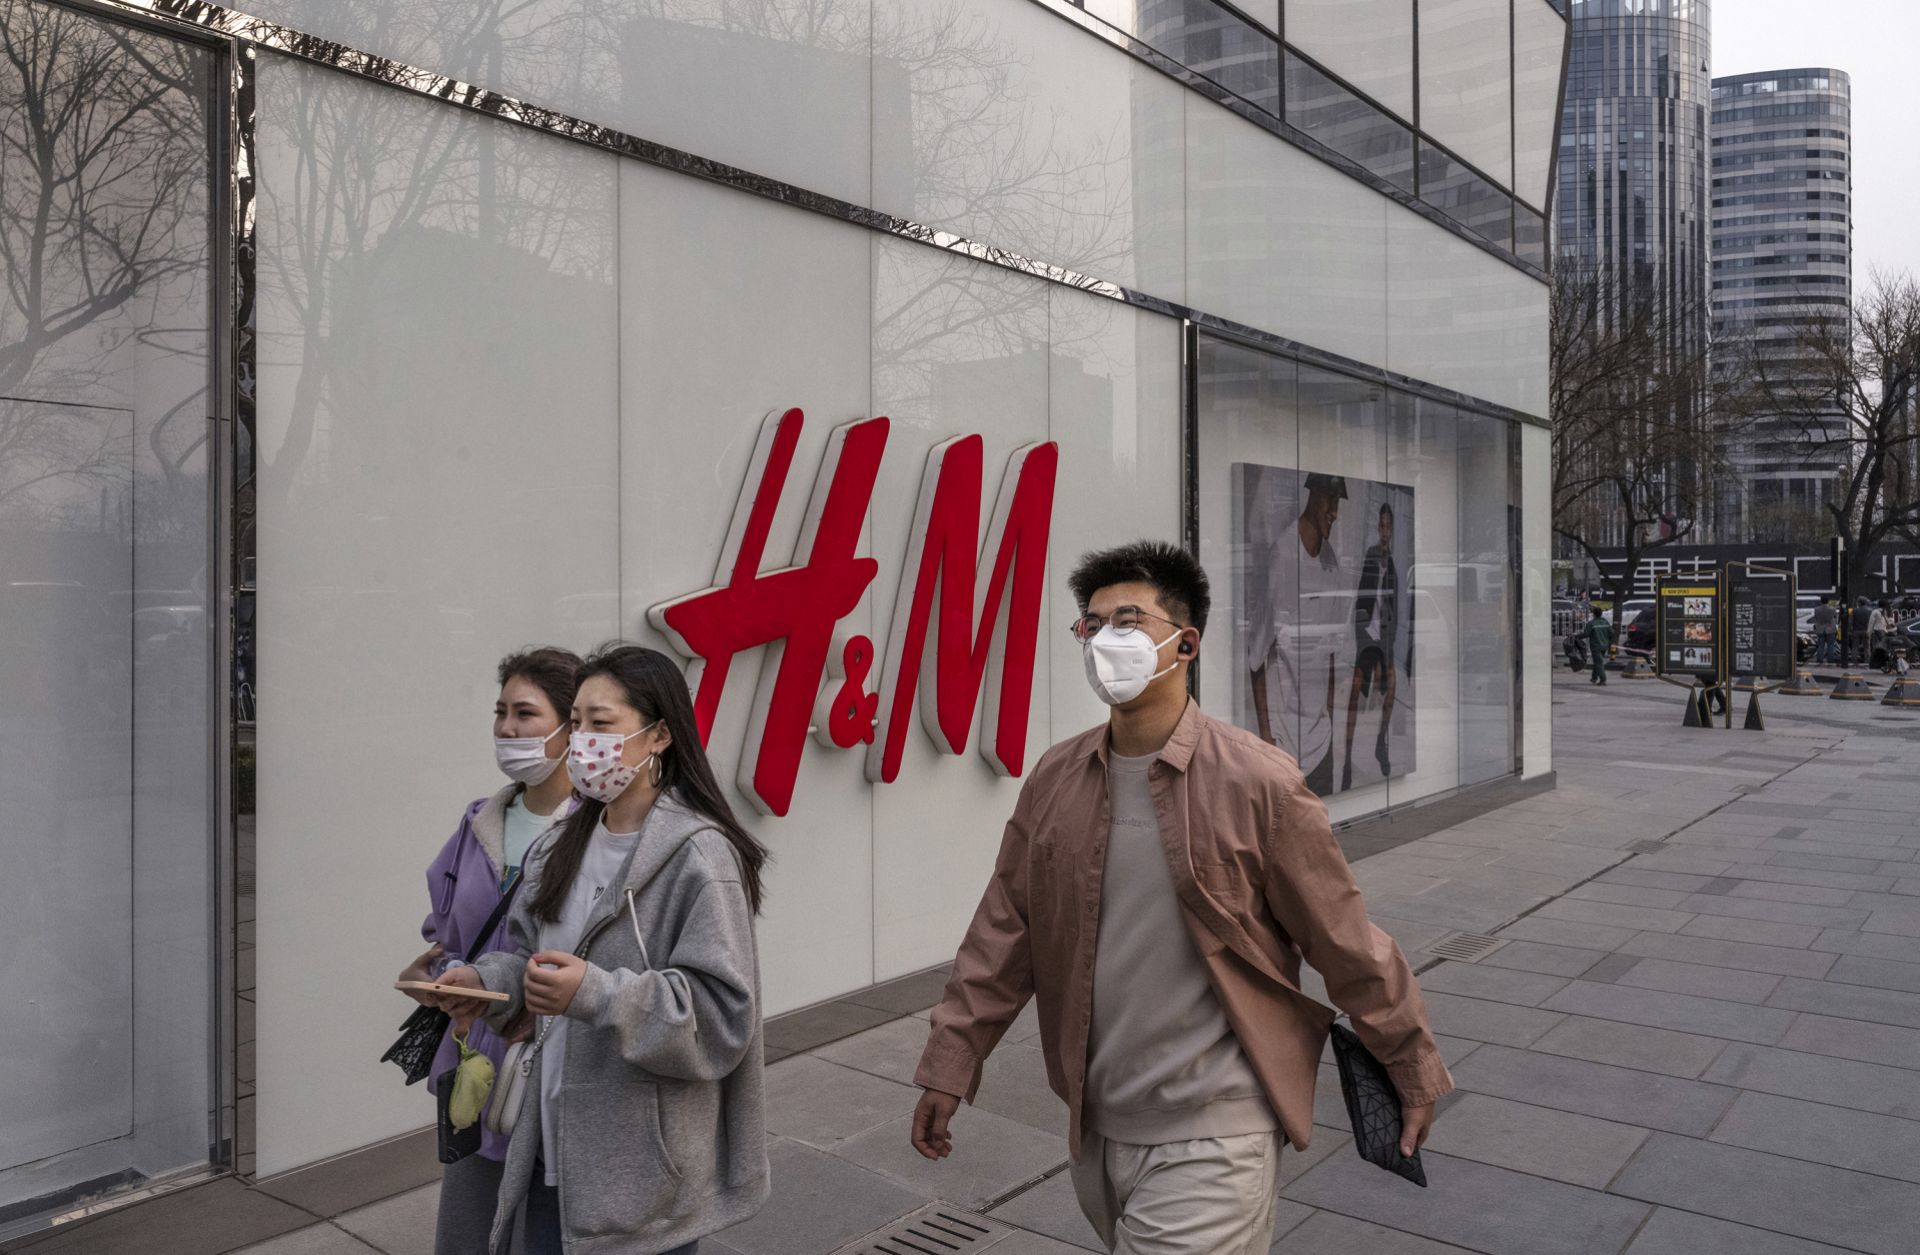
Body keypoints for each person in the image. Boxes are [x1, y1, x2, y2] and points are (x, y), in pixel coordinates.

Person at [910, 541, 1451, 1255]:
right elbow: (1003, 933)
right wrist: (953, 1061)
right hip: (1096, 1127)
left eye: (1127, 620)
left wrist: (1410, 1063)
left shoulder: (1259, 782)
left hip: (1216, 1129)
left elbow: (1344, 937)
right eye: (1091, 624)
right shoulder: (1054, 778)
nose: (1105, 640)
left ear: (1185, 642)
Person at [437, 645, 771, 1255]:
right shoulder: (560, 844)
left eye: (603, 723)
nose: (583, 740)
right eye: (579, 722)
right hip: (544, 1140)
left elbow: (724, 1017)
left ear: (660, 735)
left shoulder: (700, 857)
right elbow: (527, 957)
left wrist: (595, 993)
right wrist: (483, 985)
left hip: (640, 1176)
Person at [396, 647, 583, 1255]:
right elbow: (445, 928)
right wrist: (438, 973)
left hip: (550, 1060)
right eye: (500, 711)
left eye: (525, 713)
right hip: (475, 1057)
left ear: (569, 725)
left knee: (545, 1224)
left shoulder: (596, 832)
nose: (507, 728)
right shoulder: (481, 819)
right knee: (470, 1225)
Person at [1249, 472, 1347, 795]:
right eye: (1331, 501)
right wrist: (1266, 737)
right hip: (1285, 743)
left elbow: (1331, 652)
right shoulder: (1283, 556)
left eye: (1338, 502)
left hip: (1321, 742)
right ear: (1313, 495)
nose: (1335, 511)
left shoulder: (1332, 563)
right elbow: (1256, 657)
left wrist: (1330, 720)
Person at [1342, 502, 1400, 790]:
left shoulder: (1394, 565)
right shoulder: (1371, 556)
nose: (1385, 531)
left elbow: (1396, 611)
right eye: (1382, 526)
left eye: (1389, 526)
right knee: (1355, 687)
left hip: (1384, 639)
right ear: (1378, 528)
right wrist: (1364, 642)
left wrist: (1387, 656)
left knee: (1392, 683)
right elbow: (1360, 603)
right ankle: (1347, 759)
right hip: (1367, 636)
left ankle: (1380, 741)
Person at [1585, 605, 1613, 685]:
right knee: (1598, 662)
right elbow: (1612, 632)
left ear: (1593, 614)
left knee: (1598, 663)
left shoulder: (1591, 623)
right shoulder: (1605, 622)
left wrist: (1577, 636)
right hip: (1604, 646)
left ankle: (1603, 680)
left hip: (1596, 646)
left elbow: (1586, 634)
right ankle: (1594, 678)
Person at [1811, 600, 1839, 665]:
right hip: (1830, 629)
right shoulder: (1832, 609)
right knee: (1831, 645)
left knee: (1821, 645)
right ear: (1828, 602)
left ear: (1821, 601)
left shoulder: (1816, 609)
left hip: (1820, 629)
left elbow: (1816, 618)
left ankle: (1820, 659)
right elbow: (1835, 618)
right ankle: (1830, 659)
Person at [1849, 596, 1873, 666]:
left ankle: (1854, 662)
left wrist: (1850, 630)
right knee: (1867, 647)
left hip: (1856, 631)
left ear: (1859, 603)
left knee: (1855, 647)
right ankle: (1867, 661)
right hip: (1866, 631)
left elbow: (1850, 621)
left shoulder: (1854, 611)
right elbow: (1871, 621)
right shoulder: (1870, 611)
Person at [1870, 599, 1891, 668]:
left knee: (1876, 647)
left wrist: (1869, 631)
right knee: (1884, 648)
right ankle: (1884, 663)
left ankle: (1875, 663)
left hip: (1876, 631)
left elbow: (1871, 622)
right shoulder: (1885, 612)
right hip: (1884, 631)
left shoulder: (1875, 612)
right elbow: (1888, 622)